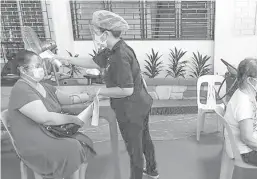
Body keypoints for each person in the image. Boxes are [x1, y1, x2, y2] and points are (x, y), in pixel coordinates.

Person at [54, 10, 159, 179]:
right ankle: (152, 171)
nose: (94, 35)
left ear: (106, 33)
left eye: (95, 31)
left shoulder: (120, 55)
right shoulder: (112, 49)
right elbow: (93, 62)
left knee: (134, 148)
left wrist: (97, 91)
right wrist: (66, 60)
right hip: (140, 103)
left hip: (132, 108)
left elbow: (126, 90)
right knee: (144, 138)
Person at [7, 50, 96, 179]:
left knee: (84, 141)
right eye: (37, 66)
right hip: (34, 141)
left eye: (41, 65)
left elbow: (68, 99)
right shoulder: (22, 89)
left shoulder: (44, 86)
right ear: (23, 70)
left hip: (51, 132)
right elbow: (46, 118)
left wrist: (88, 96)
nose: (41, 69)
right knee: (73, 147)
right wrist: (73, 119)